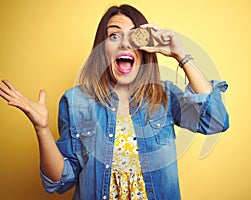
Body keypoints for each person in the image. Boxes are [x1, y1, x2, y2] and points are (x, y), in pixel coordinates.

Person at [0, 4, 229, 200]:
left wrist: (181, 55)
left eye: (134, 36)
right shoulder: (75, 101)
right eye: (114, 35)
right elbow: (59, 183)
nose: (125, 44)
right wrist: (42, 129)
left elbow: (215, 121)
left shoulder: (165, 96)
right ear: (102, 49)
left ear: (145, 49)